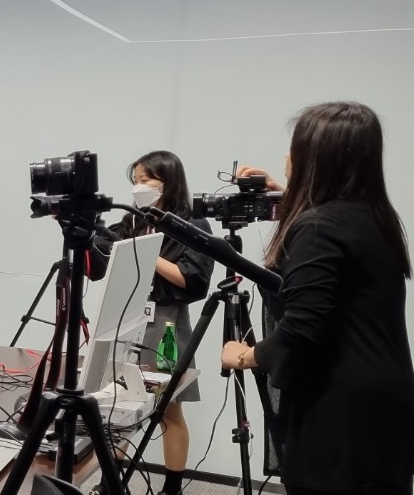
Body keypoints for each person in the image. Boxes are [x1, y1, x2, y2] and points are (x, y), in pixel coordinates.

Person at [223, 102, 414, 495]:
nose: (287, 156)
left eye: (296, 148)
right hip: (385, 406)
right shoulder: (372, 216)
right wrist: (288, 193)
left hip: (338, 414)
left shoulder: (317, 228)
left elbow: (301, 331)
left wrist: (244, 356)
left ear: (314, 160)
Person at [92, 151, 213, 495]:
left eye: (146, 180)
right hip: (126, 318)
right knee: (117, 407)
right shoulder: (131, 221)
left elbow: (191, 280)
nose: (139, 187)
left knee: (167, 411)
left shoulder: (192, 225)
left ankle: (171, 489)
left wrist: (145, 252)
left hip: (166, 322)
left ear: (168, 181)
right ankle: (109, 484)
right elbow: (102, 258)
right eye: (136, 181)